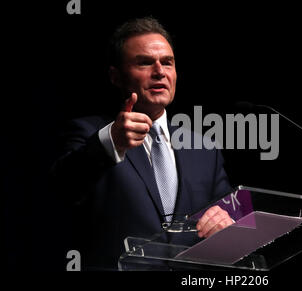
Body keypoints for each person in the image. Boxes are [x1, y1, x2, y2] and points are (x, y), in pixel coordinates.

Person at [51, 17, 234, 270]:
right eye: (145, 63)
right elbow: (61, 189)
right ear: (116, 76)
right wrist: (111, 142)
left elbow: (230, 213)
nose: (160, 71)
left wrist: (228, 222)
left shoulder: (203, 149)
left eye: (167, 63)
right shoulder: (90, 132)